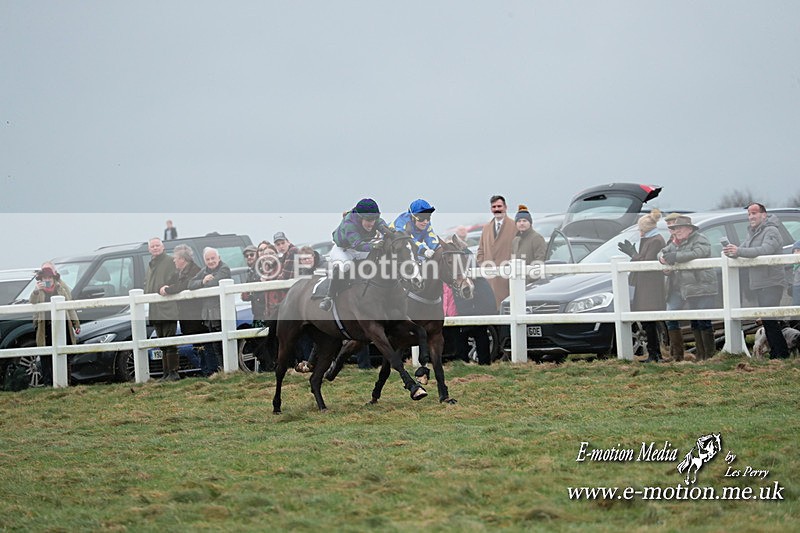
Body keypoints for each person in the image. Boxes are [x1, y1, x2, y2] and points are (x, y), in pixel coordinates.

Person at [723, 203, 789, 358]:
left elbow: (765, 250)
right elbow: (744, 248)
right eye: (749, 214)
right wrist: (733, 252)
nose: (751, 217)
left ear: (764, 215)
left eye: (754, 213)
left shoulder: (771, 231)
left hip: (772, 281)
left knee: (770, 319)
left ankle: (781, 353)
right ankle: (778, 352)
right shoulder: (752, 233)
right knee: (767, 321)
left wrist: (739, 251)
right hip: (760, 282)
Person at [658, 215, 718, 361]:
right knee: (694, 321)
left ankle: (708, 356)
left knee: (703, 320)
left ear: (689, 229)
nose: (676, 231)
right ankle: (697, 356)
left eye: (679, 228)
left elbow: (699, 253)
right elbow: (662, 252)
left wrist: (676, 257)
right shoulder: (675, 243)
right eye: (674, 228)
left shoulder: (700, 239)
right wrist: (663, 259)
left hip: (702, 286)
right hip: (688, 288)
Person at [319, 198, 390, 311]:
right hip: (343, 249)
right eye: (368, 220)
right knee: (345, 266)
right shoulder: (349, 223)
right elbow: (357, 244)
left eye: (374, 219)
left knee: (377, 259)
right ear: (360, 217)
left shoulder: (373, 219)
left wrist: (390, 233)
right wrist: (373, 246)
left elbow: (383, 227)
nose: (371, 223)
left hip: (361, 247)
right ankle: (329, 297)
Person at [618, 209, 667, 362]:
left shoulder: (656, 240)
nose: (640, 232)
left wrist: (633, 254)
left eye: (641, 229)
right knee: (647, 321)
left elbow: (646, 262)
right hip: (645, 286)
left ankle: (655, 354)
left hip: (651, 287)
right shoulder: (650, 240)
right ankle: (654, 353)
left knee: (649, 320)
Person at [29, 266, 80, 386]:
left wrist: (75, 323)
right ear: (41, 279)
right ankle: (49, 384)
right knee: (46, 358)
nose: (47, 280)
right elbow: (32, 301)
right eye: (44, 277)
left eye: (49, 277)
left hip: (62, 327)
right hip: (45, 327)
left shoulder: (61, 288)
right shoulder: (38, 290)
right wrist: (36, 291)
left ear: (53, 278)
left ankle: (65, 382)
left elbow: (69, 306)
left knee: (65, 355)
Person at [160, 244, 205, 370]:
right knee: (197, 345)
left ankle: (207, 371)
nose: (173, 260)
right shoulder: (179, 273)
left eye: (175, 258)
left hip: (195, 315)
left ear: (182, 259)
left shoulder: (195, 271)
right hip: (187, 315)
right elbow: (172, 283)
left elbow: (185, 285)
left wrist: (168, 290)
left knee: (202, 344)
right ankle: (203, 370)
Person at [188, 248, 231, 376]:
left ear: (219, 258)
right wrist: (203, 281)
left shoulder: (224, 268)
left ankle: (228, 370)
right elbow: (190, 284)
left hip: (221, 313)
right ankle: (220, 371)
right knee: (214, 345)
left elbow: (214, 283)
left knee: (223, 344)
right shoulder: (204, 271)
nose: (211, 261)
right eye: (208, 259)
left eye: (213, 258)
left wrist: (206, 282)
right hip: (208, 315)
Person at [144, 238, 180, 381]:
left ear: (163, 247)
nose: (155, 248)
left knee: (170, 342)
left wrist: (168, 289)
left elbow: (176, 281)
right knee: (161, 342)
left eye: (157, 245)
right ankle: (165, 373)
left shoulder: (170, 262)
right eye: (152, 246)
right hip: (155, 309)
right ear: (149, 249)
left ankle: (173, 373)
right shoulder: (151, 265)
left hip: (168, 308)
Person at [477, 195, 516, 309]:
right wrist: (481, 266)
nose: (497, 209)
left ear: (505, 207)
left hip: (507, 279)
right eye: (494, 207)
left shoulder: (514, 226)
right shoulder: (486, 228)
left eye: (499, 206)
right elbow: (481, 250)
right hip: (489, 279)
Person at [789, 240, 800, 307]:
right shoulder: (795, 267)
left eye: (798, 251)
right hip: (796, 290)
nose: (795, 254)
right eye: (794, 251)